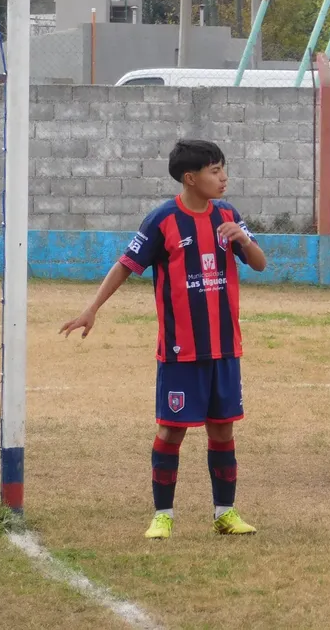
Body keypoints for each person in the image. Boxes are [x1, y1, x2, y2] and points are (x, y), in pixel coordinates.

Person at [60, 139, 267, 539]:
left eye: (224, 169)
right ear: (191, 178)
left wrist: (242, 238)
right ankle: (163, 514)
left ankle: (225, 513)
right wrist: (92, 308)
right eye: (214, 171)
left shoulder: (228, 214)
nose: (223, 177)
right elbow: (126, 265)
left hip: (224, 347)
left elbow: (260, 263)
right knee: (172, 430)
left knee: (222, 429)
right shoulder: (162, 220)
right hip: (180, 351)